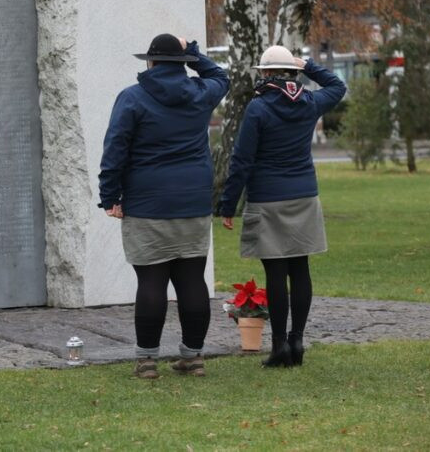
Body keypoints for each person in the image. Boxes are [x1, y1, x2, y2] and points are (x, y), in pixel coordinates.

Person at [99, 33, 229, 379]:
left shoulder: (132, 98)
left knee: (151, 281)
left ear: (150, 62)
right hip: (193, 201)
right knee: (191, 280)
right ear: (183, 65)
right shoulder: (201, 94)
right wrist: (195, 53)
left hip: (147, 203)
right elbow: (221, 77)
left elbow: (115, 149)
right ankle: (194, 356)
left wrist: (109, 196)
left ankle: (146, 360)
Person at [217, 45, 346, 368]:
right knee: (300, 268)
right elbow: (338, 86)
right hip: (304, 194)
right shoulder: (310, 101)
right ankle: (297, 340)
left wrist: (228, 204)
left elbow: (242, 160)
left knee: (276, 271)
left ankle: (278, 346)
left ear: (265, 73)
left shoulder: (258, 108)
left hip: (268, 195)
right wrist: (310, 66)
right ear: (292, 72)